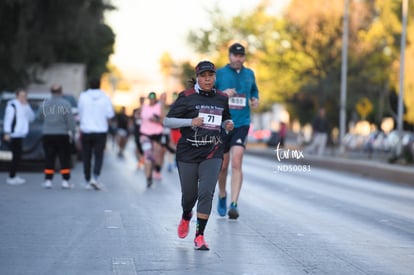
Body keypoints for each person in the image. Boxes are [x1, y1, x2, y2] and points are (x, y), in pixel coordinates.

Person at [164, 60, 234, 251]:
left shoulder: (221, 98)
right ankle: (187, 215)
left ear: (214, 77)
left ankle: (199, 235)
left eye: (210, 75)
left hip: (213, 151)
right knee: (189, 196)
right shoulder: (186, 96)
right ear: (197, 77)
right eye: (203, 76)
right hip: (188, 151)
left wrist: (227, 124)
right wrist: (190, 122)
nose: (207, 79)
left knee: (206, 192)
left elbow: (225, 117)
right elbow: (168, 121)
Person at [216, 42, 259, 219]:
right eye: (235, 55)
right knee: (223, 166)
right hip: (224, 123)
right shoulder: (219, 74)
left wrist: (255, 99)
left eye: (241, 56)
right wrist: (223, 93)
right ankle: (222, 194)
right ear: (229, 56)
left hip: (242, 123)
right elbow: (209, 94)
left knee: (236, 162)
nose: (238, 58)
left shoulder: (250, 74)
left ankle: (234, 203)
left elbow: (254, 91)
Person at [78, 77, 115, 190]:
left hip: (86, 130)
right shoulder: (105, 97)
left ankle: (87, 180)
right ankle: (95, 177)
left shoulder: (83, 96)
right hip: (100, 131)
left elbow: (80, 111)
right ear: (100, 85)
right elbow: (110, 115)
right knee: (99, 156)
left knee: (86, 156)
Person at [38, 85, 76, 189]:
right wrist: (73, 131)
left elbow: (39, 116)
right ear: (61, 92)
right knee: (64, 158)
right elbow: (70, 120)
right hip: (61, 135)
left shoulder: (45, 103)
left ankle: (48, 180)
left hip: (47, 134)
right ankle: (65, 180)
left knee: (49, 157)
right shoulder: (65, 104)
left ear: (51, 92)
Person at [2, 88, 35, 185]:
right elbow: (8, 119)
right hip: (14, 134)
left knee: (18, 156)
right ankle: (11, 176)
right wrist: (7, 132)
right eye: (21, 95)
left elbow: (31, 118)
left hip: (21, 134)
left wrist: (27, 106)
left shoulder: (25, 106)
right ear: (17, 96)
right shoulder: (12, 106)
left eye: (24, 96)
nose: (23, 98)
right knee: (14, 156)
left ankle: (14, 175)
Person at [139, 91, 164, 187]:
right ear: (148, 98)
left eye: (153, 97)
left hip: (157, 135)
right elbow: (138, 116)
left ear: (155, 98)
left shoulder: (159, 107)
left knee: (155, 157)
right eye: (150, 97)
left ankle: (151, 173)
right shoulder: (144, 107)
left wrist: (156, 120)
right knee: (147, 157)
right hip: (145, 135)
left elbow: (163, 120)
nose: (151, 99)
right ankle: (148, 178)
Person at [132, 96, 145, 168]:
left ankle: (142, 160)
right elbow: (135, 116)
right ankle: (139, 160)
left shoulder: (147, 110)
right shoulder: (136, 110)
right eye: (141, 100)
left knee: (143, 147)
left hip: (144, 132)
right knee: (137, 147)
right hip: (137, 131)